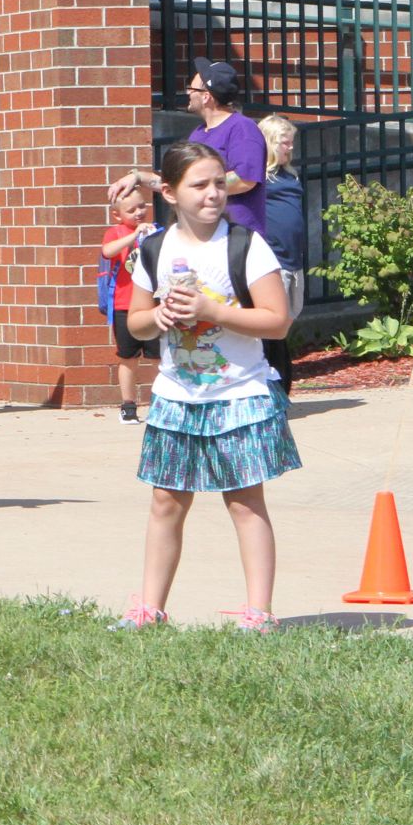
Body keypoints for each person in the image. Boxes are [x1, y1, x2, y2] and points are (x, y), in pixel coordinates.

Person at [116, 141, 297, 633]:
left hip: (238, 394)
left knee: (244, 500)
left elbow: (277, 321)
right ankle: (150, 609)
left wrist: (215, 312)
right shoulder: (153, 249)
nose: (213, 193)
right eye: (199, 185)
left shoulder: (244, 244)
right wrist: (159, 315)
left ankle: (259, 612)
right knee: (166, 501)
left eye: (219, 182)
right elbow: (135, 323)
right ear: (170, 192)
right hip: (177, 397)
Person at [109, 59, 267, 236]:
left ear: (206, 96)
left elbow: (244, 179)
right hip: (199, 236)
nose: (188, 93)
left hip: (235, 238)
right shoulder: (198, 133)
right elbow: (182, 184)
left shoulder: (242, 128)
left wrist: (193, 188)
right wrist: (138, 177)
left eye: (191, 89)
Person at [101, 186, 159, 426]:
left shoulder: (156, 232)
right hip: (124, 304)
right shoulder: (115, 233)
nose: (139, 212)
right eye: (131, 209)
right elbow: (107, 251)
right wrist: (134, 236)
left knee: (159, 357)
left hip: (153, 306)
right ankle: (128, 405)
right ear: (117, 215)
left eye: (142, 206)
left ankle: (160, 402)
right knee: (128, 357)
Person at [259, 115, 306, 322]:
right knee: (274, 319)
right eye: (285, 143)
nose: (291, 147)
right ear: (270, 143)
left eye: (291, 142)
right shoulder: (256, 176)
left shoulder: (289, 174)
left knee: (291, 315)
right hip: (273, 259)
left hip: (294, 257)